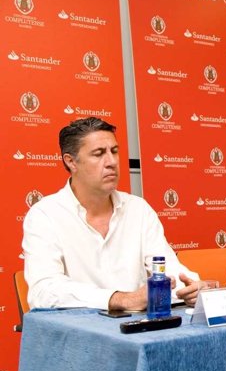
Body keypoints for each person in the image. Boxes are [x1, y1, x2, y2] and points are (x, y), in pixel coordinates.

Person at [22, 117, 201, 310]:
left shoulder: (138, 209)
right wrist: (119, 299)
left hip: (138, 329)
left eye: (114, 152)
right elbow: (44, 291)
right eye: (98, 154)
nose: (112, 162)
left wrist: (190, 287)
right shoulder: (45, 215)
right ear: (71, 162)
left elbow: (167, 269)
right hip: (80, 333)